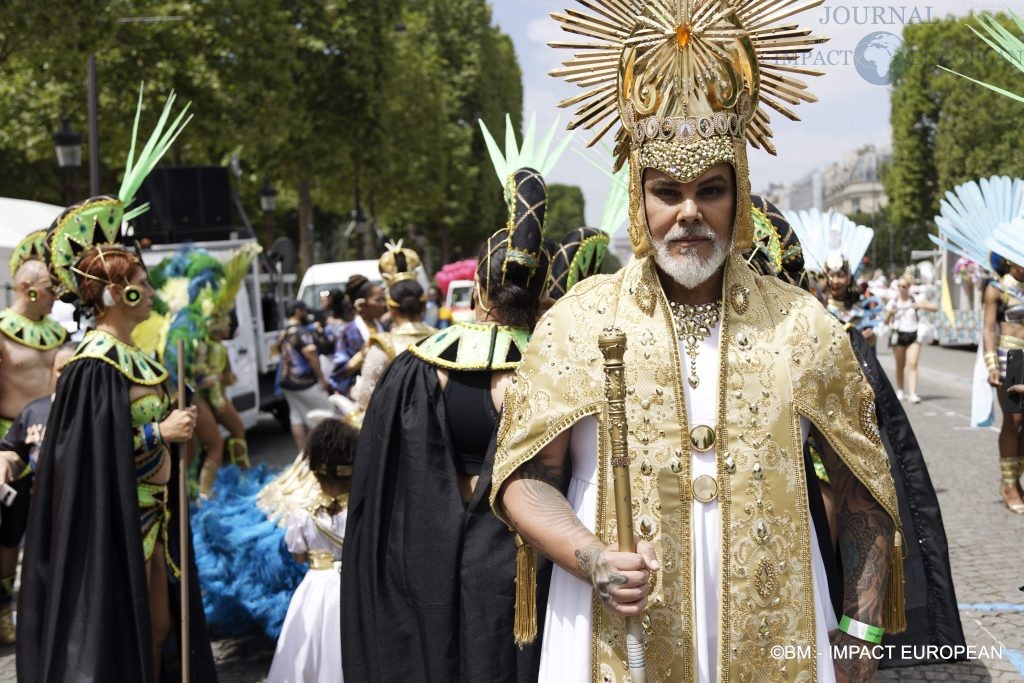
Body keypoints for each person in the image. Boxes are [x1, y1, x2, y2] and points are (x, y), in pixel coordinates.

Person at [490, 4, 906, 682]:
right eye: (668, 192)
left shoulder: (803, 325)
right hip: (612, 618)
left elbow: (863, 493)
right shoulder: (578, 320)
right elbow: (529, 478)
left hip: (780, 622)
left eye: (709, 190)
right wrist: (589, 555)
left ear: (738, 193)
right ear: (640, 199)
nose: (688, 212)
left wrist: (859, 634)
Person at [341, 168, 552, 683]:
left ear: (479, 290)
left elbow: (381, 486)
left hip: (424, 559)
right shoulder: (557, 369)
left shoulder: (417, 367)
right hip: (523, 566)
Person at [0, 231, 67, 643]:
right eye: (50, 288)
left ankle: (50, 605)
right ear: (27, 289)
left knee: (57, 525)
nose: (56, 294)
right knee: (9, 532)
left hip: (56, 441)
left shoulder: (59, 335)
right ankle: (4, 610)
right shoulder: (2, 334)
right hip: (10, 442)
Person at [267, 418, 356, 683]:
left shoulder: (302, 516)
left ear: (314, 472)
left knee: (311, 654)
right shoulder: (361, 513)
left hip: (316, 587)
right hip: (354, 586)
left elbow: (298, 555)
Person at [351, 242, 436, 418]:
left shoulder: (383, 345)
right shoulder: (444, 338)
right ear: (424, 305)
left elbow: (366, 400)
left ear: (391, 308)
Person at [984, 258, 1024, 513]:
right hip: (1011, 359)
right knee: (1014, 420)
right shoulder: (997, 288)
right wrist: (991, 365)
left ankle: (1016, 481)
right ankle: (1009, 484)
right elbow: (988, 330)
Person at [279, 299, 333, 450]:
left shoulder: (284, 332)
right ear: (297, 311)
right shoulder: (301, 332)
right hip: (303, 382)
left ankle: (303, 456)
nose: (306, 313)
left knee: (296, 416)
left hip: (286, 381)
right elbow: (311, 356)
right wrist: (322, 378)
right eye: (303, 310)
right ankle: (325, 453)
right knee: (325, 414)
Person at [885, 275, 937, 403]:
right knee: (900, 365)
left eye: (904, 286)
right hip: (898, 335)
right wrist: (891, 312)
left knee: (912, 364)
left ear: (909, 287)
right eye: (899, 286)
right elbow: (885, 320)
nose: (901, 289)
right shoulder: (894, 301)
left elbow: (935, 308)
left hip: (913, 334)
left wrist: (921, 305)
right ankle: (900, 390)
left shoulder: (915, 299)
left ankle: (913, 393)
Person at [330, 275, 386, 395]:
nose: (383, 305)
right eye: (378, 300)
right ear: (362, 305)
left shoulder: (382, 326)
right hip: (357, 390)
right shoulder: (349, 331)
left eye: (384, 300)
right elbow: (339, 369)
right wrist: (363, 354)